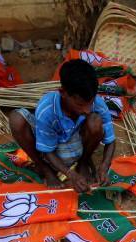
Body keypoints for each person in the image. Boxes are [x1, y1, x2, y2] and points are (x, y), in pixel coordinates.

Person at [9, 59, 116, 193]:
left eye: (90, 102)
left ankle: (83, 162)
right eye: (80, 105)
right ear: (63, 93)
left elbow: (111, 140)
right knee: (16, 119)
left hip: (76, 142)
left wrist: (104, 167)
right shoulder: (47, 109)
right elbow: (47, 150)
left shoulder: (96, 102)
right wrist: (70, 174)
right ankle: (45, 169)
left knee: (95, 120)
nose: (87, 110)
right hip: (49, 147)